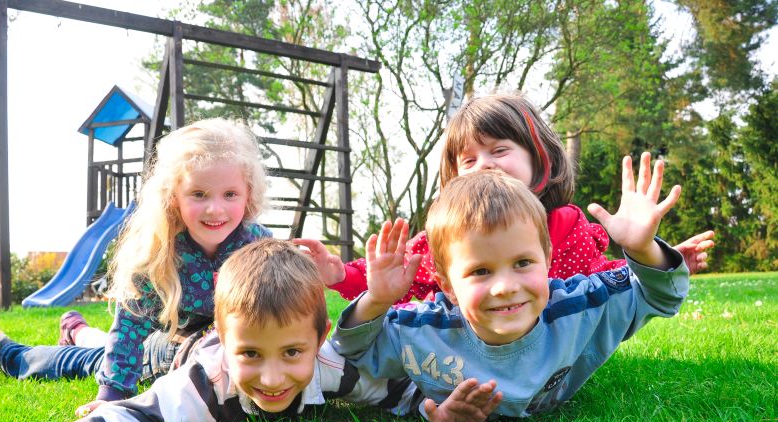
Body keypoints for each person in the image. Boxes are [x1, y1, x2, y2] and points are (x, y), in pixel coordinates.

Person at [0, 240, 502, 422]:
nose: (274, 377)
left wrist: (438, 415)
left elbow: (395, 395)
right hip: (176, 351)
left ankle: (82, 331)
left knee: (98, 343)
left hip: (207, 342)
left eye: (292, 354)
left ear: (320, 338)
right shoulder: (199, 388)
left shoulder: (334, 368)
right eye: (251, 355)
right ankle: (29, 351)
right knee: (97, 359)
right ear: (228, 339)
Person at [329, 157, 689, 421]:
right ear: (447, 286)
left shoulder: (580, 306)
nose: (505, 287)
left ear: (547, 257)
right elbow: (350, 350)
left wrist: (643, 249)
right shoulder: (424, 329)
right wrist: (376, 300)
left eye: (522, 263)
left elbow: (660, 295)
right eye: (481, 271)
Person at [296, 92, 713, 303]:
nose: (484, 166)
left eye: (499, 150)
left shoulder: (566, 226)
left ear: (539, 159)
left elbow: (608, 285)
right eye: (469, 159)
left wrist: (651, 255)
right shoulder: (452, 237)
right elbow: (405, 278)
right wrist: (339, 274)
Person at [0, 118, 272, 415]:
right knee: (93, 360)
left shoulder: (260, 247)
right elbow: (129, 329)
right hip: (164, 347)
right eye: (199, 194)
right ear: (174, 197)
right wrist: (113, 394)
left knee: (98, 347)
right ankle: (16, 356)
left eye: (230, 194)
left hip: (220, 346)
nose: (215, 208)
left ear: (248, 193)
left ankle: (76, 329)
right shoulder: (158, 254)